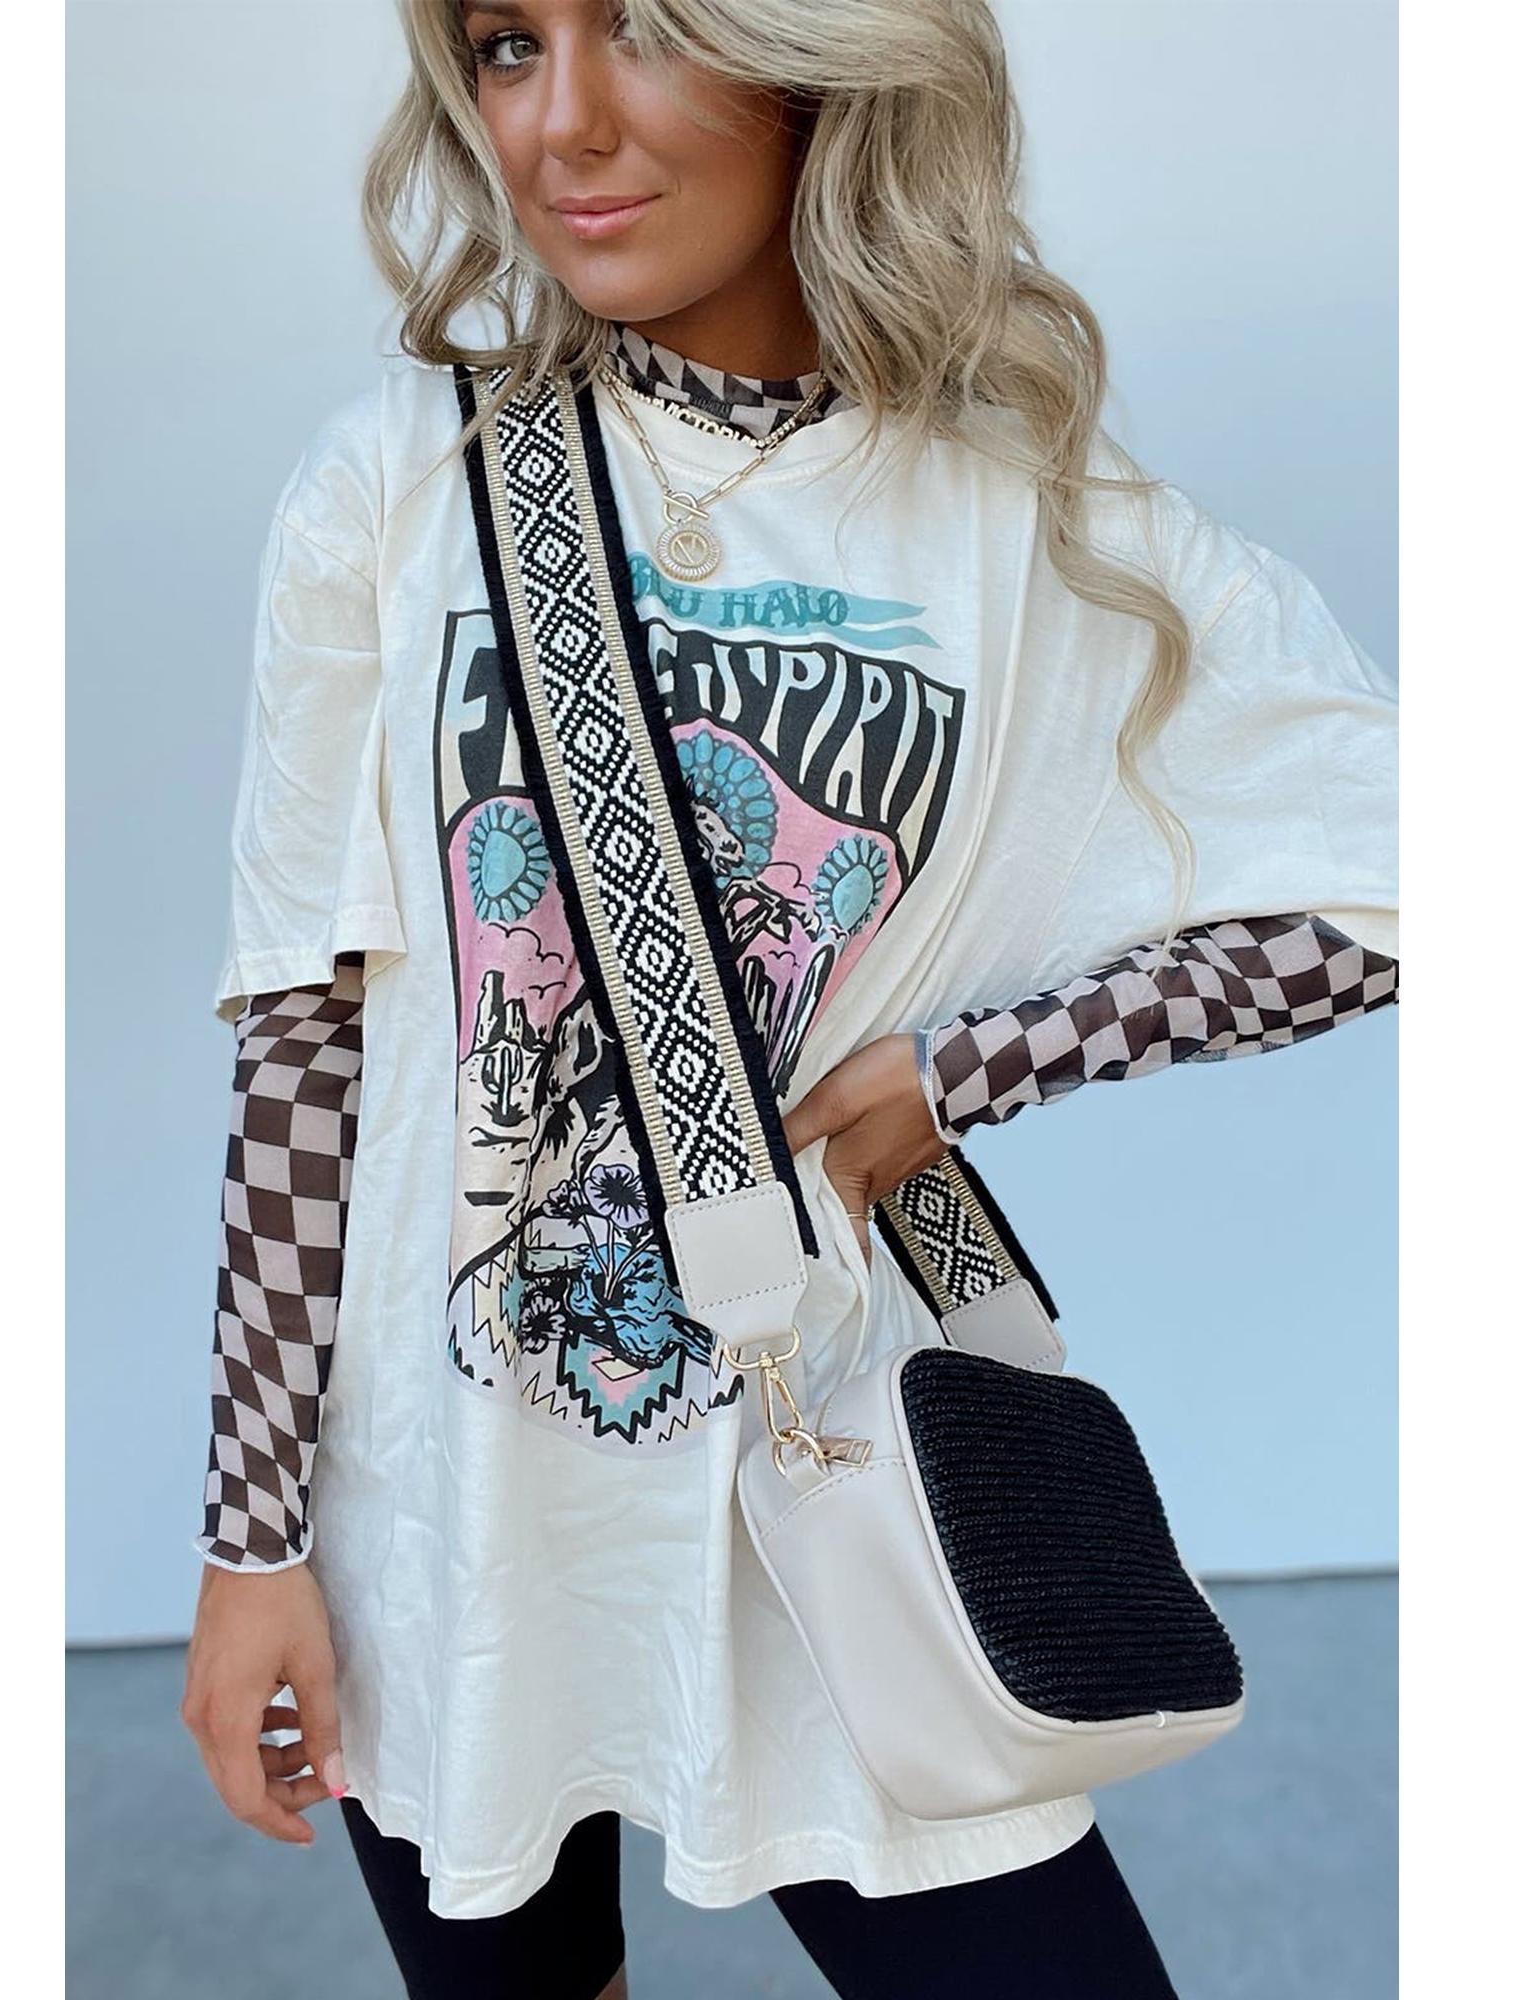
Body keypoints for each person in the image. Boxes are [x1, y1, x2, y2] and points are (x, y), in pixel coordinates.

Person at [178, 3, 1399, 1995]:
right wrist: (249, 1542)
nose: (561, 123)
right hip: (457, 1520)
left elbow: (1400, 879)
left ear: (810, 57)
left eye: (646, 31)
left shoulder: (1020, 511)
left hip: (832, 1472)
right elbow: (305, 1041)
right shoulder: (397, 482)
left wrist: (976, 1065)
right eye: (507, 43)